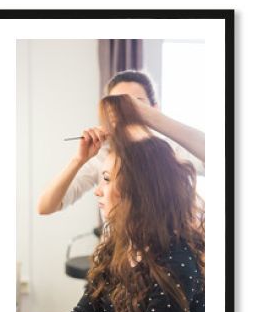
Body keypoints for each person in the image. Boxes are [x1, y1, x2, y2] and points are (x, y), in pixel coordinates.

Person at [66, 94, 205, 312]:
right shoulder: (117, 246)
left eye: (107, 179)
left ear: (139, 191)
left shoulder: (175, 265)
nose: (97, 191)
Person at [37, 70, 205, 215]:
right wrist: (78, 160)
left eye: (136, 103)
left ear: (153, 108)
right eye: (118, 105)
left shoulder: (170, 149)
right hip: (119, 251)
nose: (126, 111)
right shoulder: (101, 155)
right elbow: (45, 207)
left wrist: (155, 119)